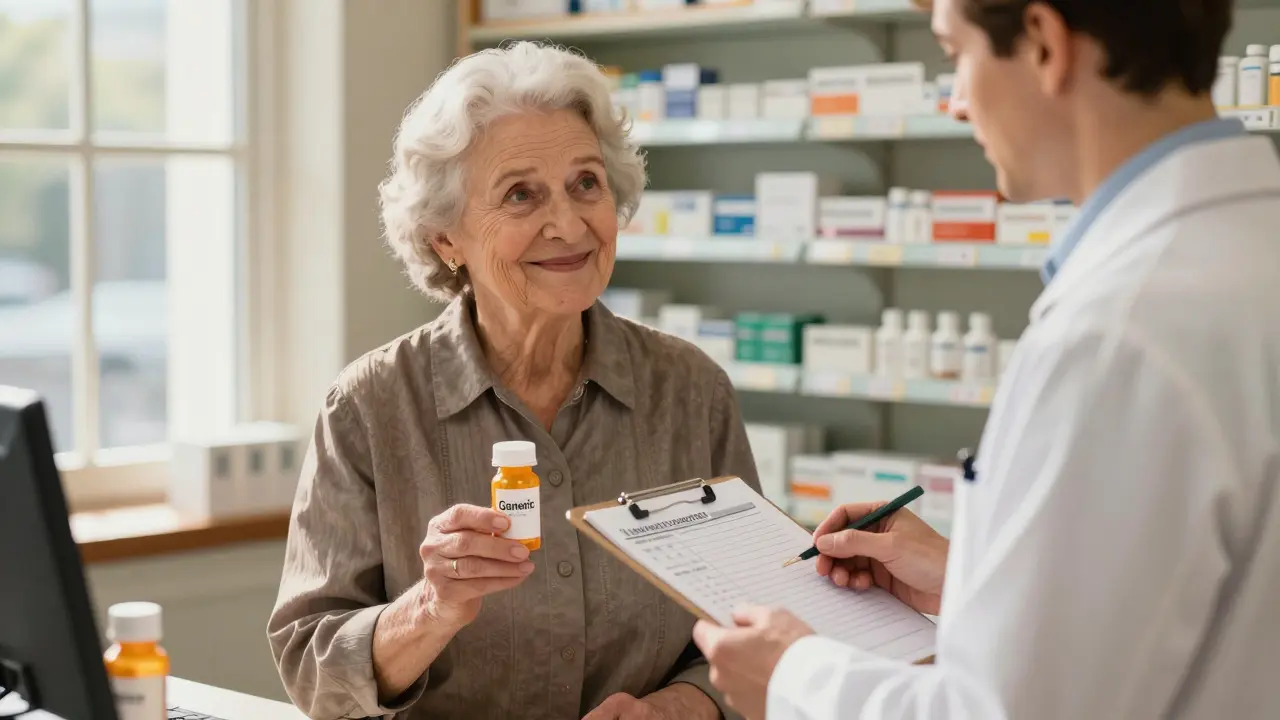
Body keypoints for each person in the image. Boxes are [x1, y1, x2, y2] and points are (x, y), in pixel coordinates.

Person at [693, 0, 1280, 718]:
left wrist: (793, 678)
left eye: (954, 55)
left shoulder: (1116, 333)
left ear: (1042, 42)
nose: (957, 102)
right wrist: (968, 579)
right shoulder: (1247, 247)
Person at [267, 41, 760, 720]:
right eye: (520, 195)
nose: (568, 223)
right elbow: (311, 669)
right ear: (446, 237)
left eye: (586, 183)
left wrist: (675, 709)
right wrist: (431, 608)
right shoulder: (370, 407)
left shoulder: (690, 392)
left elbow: (755, 625)